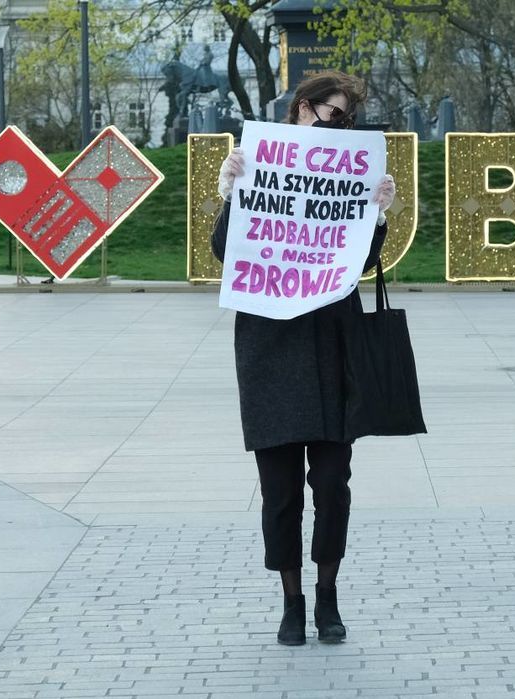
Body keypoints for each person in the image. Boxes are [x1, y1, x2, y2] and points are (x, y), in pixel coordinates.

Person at [211, 71, 397, 646]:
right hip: (270, 347)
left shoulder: (349, 173)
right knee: (280, 490)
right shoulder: (260, 158)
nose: (337, 127)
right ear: (302, 108)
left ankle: (327, 594)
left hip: (333, 343)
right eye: (330, 114)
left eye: (347, 120)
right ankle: (291, 601)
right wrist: (231, 192)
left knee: (334, 484)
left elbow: (359, 263)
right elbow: (226, 250)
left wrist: (376, 214)